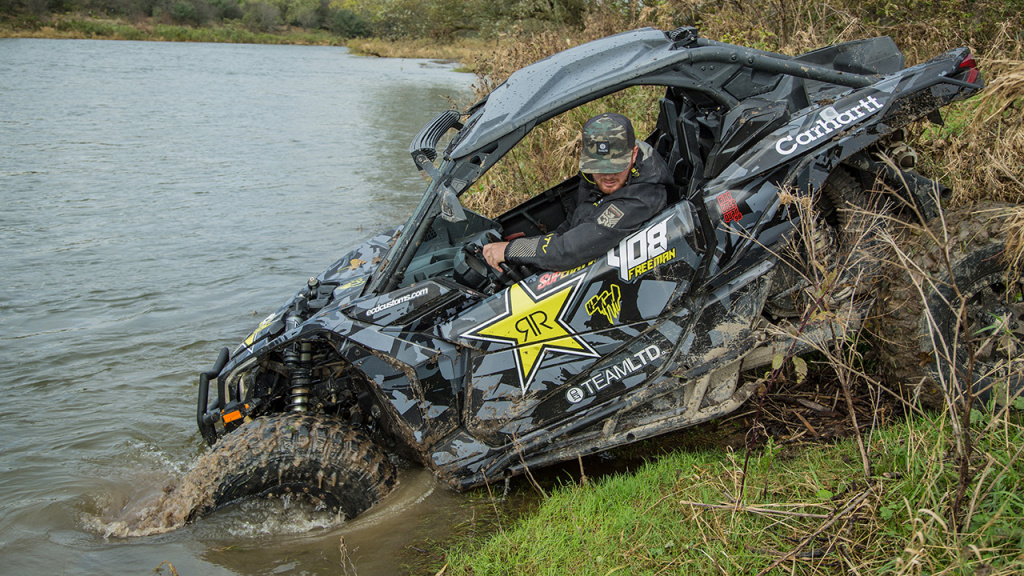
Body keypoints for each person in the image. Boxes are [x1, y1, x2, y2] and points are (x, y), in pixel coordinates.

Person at [483, 112, 671, 272]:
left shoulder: (642, 197)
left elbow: (571, 249)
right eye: (598, 166)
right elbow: (569, 227)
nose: (607, 176)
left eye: (615, 166)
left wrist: (513, 250)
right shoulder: (593, 179)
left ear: (634, 154)